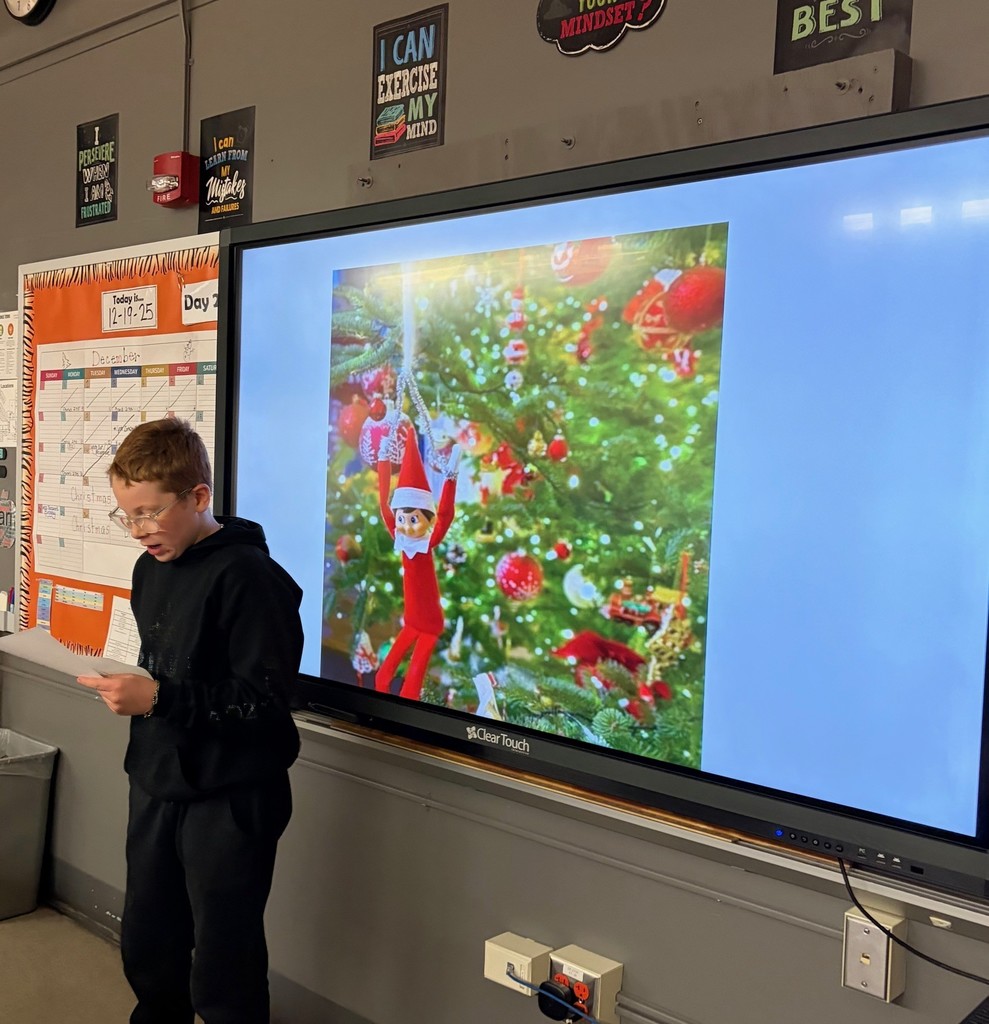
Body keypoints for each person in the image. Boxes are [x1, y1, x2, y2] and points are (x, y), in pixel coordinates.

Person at [75, 417, 303, 1024]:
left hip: (232, 795)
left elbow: (267, 700)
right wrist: (146, 699)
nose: (140, 530)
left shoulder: (251, 579)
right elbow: (164, 670)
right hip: (157, 779)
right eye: (128, 515)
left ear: (199, 497)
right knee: (150, 937)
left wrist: (160, 701)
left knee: (224, 954)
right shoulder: (150, 568)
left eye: (151, 513)